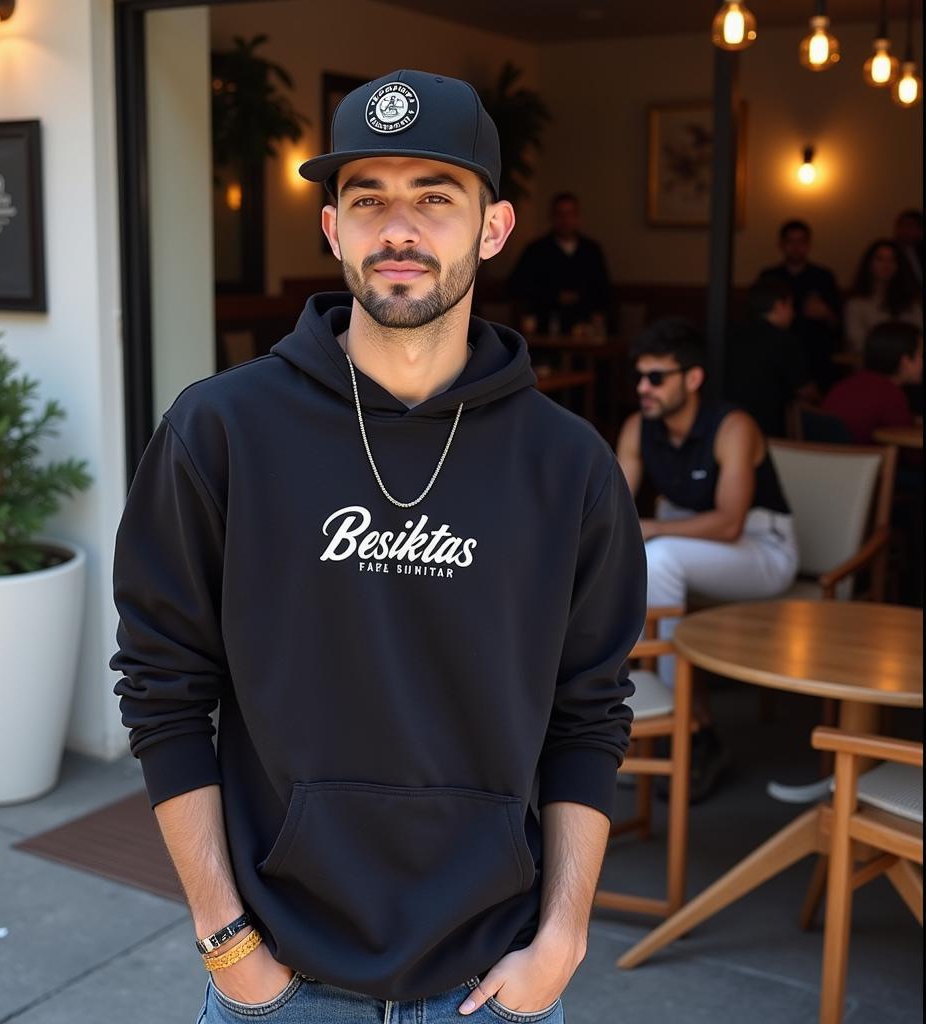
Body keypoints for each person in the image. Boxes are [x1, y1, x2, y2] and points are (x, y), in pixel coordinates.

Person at [110, 69, 647, 1024]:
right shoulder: (222, 431)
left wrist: (562, 939)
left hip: (494, 985)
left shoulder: (568, 467)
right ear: (332, 230)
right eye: (368, 200)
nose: (398, 230)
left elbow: (589, 714)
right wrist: (226, 940)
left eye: (436, 198)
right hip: (280, 980)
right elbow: (163, 685)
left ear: (493, 227)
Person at [616, 317, 799, 801]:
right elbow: (611, 511)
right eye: (639, 376)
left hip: (763, 550)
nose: (643, 388)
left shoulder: (732, 426)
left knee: (660, 555)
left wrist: (650, 527)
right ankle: (673, 719)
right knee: (628, 558)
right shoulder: (639, 427)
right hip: (685, 548)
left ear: (692, 379)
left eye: (656, 377)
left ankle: (680, 726)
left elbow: (729, 524)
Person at [757, 219, 842, 393]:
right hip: (775, 353)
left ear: (808, 245)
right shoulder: (769, 277)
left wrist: (825, 312)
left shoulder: (823, 277)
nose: (796, 247)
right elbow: (756, 320)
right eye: (791, 241)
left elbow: (839, 324)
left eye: (801, 241)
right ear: (781, 245)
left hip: (816, 354)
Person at [725, 274, 815, 438]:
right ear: (780, 305)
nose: (793, 314)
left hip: (727, 422)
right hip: (769, 428)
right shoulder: (785, 341)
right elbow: (805, 390)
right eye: (791, 306)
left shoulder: (729, 334)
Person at [509, 192, 611, 335]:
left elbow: (602, 289)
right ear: (552, 217)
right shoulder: (537, 250)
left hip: (583, 323)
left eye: (570, 214)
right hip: (545, 324)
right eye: (560, 214)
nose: (565, 220)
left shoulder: (591, 251)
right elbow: (518, 286)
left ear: (577, 217)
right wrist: (555, 296)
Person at [822, 320, 922, 444]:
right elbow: (910, 451)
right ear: (905, 361)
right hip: (864, 460)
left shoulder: (849, 384)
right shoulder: (889, 394)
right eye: (921, 355)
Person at [843, 238, 923, 358]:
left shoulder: (911, 301)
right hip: (873, 364)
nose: (886, 265)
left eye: (892, 260)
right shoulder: (857, 304)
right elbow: (858, 344)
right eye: (880, 259)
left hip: (910, 364)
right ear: (869, 264)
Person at [894, 208, 924, 284]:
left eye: (911, 226)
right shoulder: (891, 251)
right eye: (902, 225)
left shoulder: (920, 249)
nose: (905, 230)